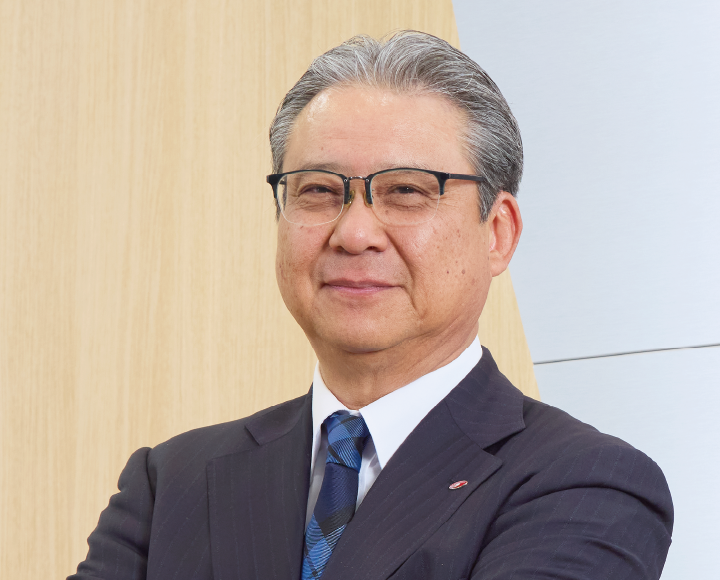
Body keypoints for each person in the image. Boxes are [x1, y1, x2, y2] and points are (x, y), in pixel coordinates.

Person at [69, 31, 673, 580]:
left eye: (406, 190)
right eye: (318, 190)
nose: (354, 233)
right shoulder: (169, 483)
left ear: (497, 233)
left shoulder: (586, 484)